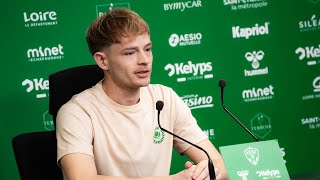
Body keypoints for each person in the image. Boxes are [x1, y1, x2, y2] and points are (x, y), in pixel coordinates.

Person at [56, 8, 229, 180]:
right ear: (103, 60)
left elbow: (219, 164)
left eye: (147, 49)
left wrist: (208, 172)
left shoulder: (165, 98)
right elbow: (82, 178)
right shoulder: (77, 112)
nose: (144, 60)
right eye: (130, 53)